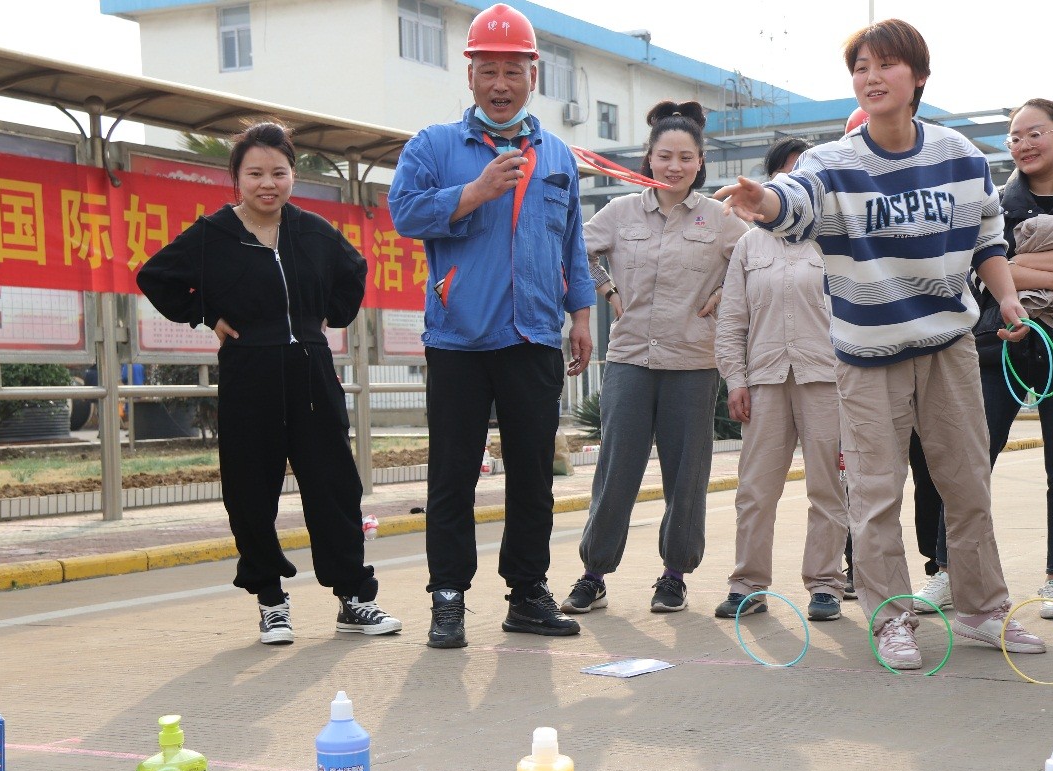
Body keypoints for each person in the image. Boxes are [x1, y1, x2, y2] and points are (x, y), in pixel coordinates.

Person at [716, 18, 1046, 670]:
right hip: (866, 357)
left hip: (948, 346)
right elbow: (794, 204)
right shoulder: (830, 163)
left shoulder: (960, 155)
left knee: (967, 485)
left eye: (886, 64)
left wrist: (1007, 296)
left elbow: (987, 237)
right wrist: (764, 200)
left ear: (918, 76)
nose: (871, 76)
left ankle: (982, 609)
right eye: (861, 67)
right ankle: (892, 619)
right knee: (874, 495)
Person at [138, 121, 401, 645]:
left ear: (292, 176)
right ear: (236, 177)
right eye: (255, 173)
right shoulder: (213, 234)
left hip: (311, 374)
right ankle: (271, 602)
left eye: (278, 173)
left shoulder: (313, 231)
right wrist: (206, 314)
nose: (267, 184)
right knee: (250, 492)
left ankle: (354, 598)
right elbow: (155, 276)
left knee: (334, 487)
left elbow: (354, 269)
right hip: (249, 374)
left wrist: (326, 316)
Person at [388, 3, 595, 649]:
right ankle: (447, 598)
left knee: (534, 475)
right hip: (459, 339)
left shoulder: (556, 154)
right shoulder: (434, 145)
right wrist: (473, 193)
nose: (500, 84)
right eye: (488, 70)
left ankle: (527, 593)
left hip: (533, 336)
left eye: (513, 71)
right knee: (452, 476)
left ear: (533, 75)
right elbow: (403, 212)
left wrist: (581, 314)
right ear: (470, 74)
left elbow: (572, 242)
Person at [913, 98, 1053, 621]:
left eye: (1034, 133)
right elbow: (983, 270)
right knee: (971, 462)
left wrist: (1017, 263)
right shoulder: (996, 201)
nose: (1023, 145)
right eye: (1015, 137)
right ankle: (947, 571)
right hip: (999, 344)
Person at [560, 100, 748, 615]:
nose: (674, 166)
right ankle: (594, 574)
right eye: (665, 156)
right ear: (649, 158)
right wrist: (605, 288)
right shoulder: (621, 211)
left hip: (693, 363)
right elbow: (575, 250)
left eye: (686, 157)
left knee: (686, 475)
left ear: (700, 162)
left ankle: (674, 575)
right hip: (629, 360)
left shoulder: (719, 218)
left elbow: (754, 261)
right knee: (616, 469)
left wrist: (723, 293)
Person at [712, 137, 848, 622]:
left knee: (828, 488)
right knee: (755, 490)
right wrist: (736, 379)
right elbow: (732, 319)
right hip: (765, 381)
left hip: (826, 380)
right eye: (786, 176)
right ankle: (747, 585)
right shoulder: (750, 244)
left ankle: (825, 585)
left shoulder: (834, 241)